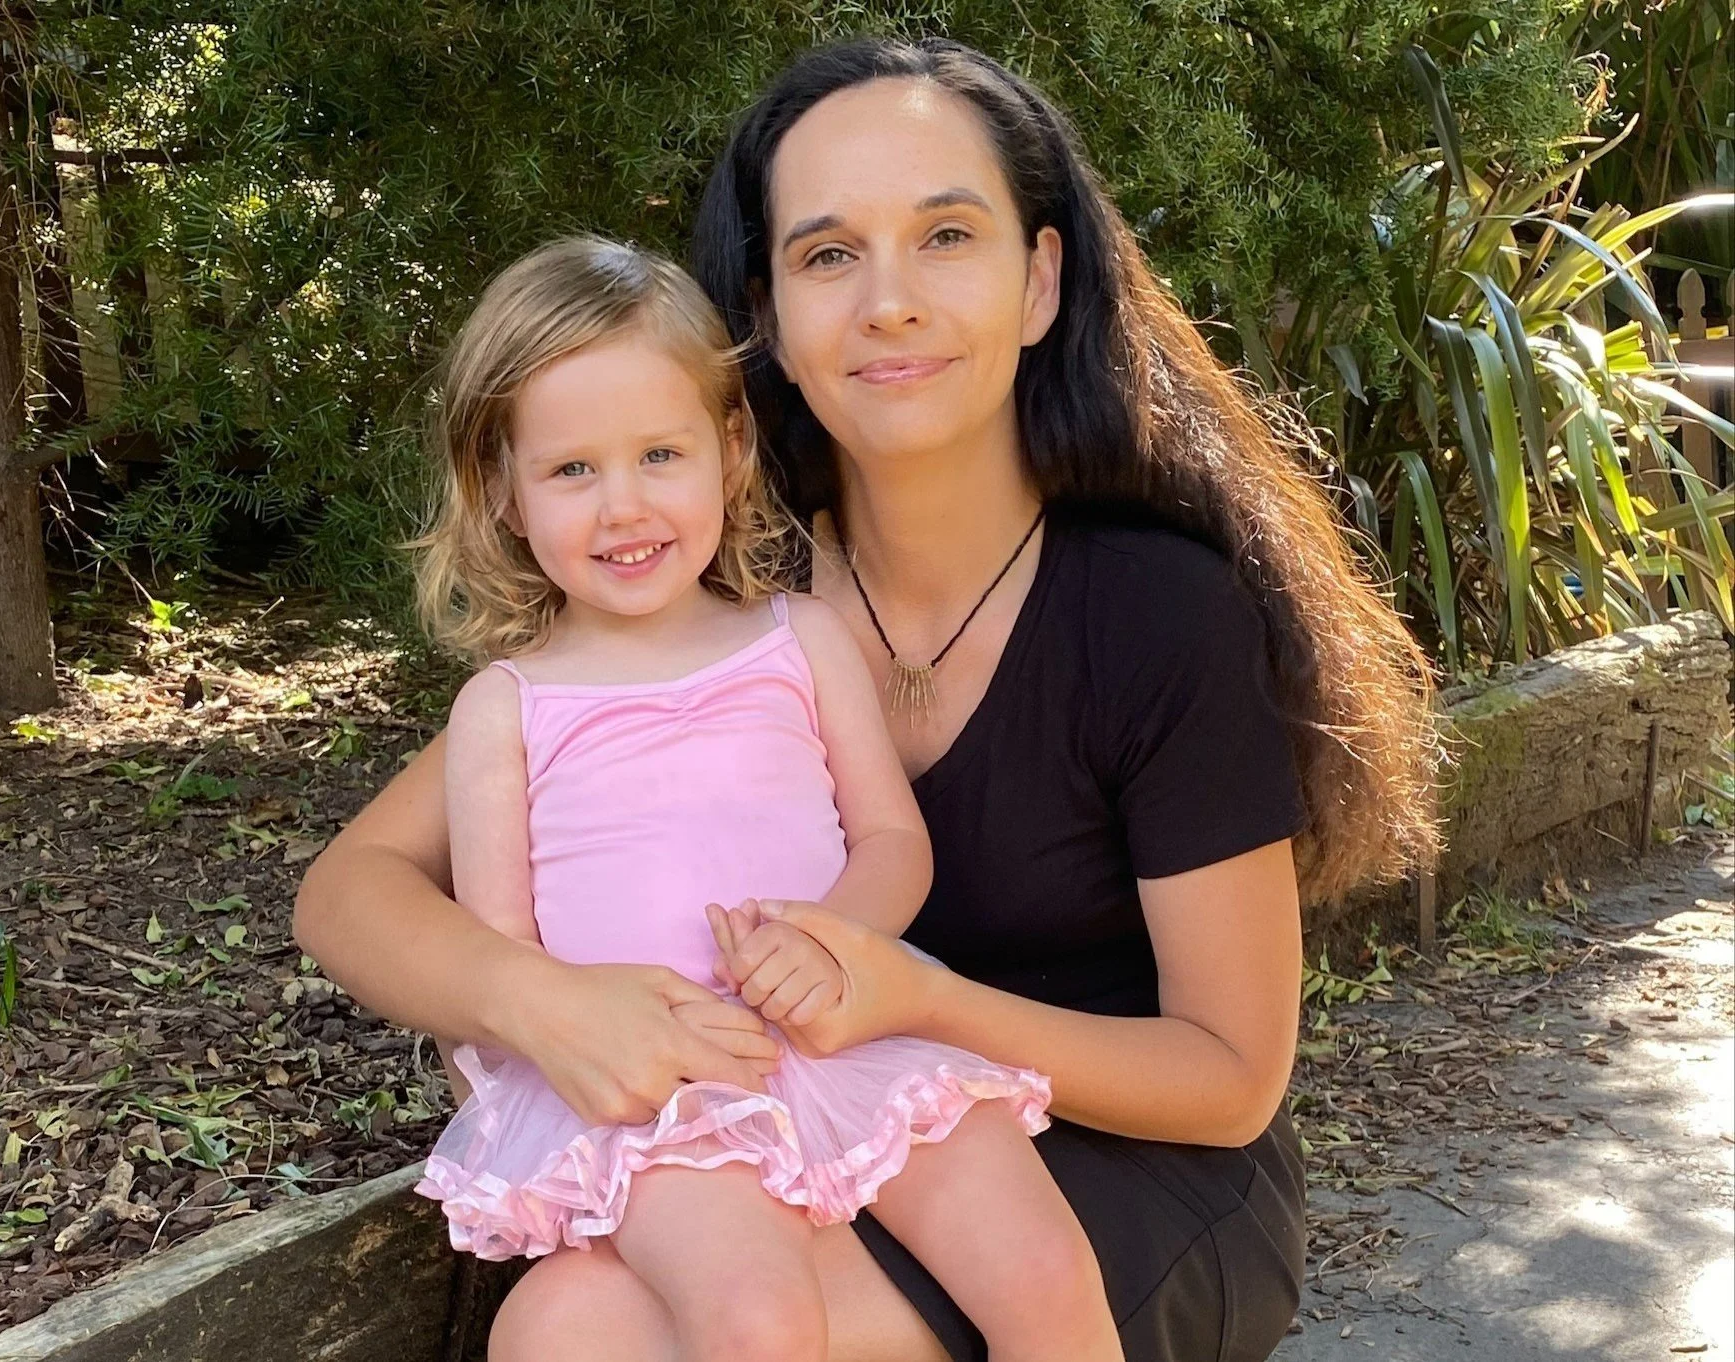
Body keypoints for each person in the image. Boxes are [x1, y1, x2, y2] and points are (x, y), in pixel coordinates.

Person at [295, 37, 1439, 1362]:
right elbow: (350, 891)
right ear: (765, 313)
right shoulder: (712, 598)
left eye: (946, 236)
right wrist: (541, 1002)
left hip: (1129, 1163)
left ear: (1038, 279)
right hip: (788, 1124)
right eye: (830, 254)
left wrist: (914, 998)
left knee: (616, 1334)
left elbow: (1230, 1080)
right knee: (568, 1322)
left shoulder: (1157, 614)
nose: (887, 302)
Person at [402, 234, 1123, 1362]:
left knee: (1043, 1268)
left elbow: (893, 841)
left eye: (659, 454)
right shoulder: (507, 708)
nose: (623, 506)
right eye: (571, 470)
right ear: (502, 488)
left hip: (846, 1033)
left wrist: (836, 939)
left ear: (729, 449)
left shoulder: (799, 641)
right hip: (664, 1099)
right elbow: (497, 976)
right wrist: (578, 1077)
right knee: (758, 1320)